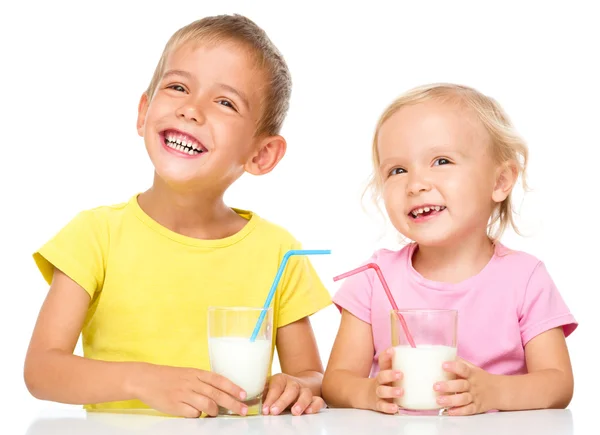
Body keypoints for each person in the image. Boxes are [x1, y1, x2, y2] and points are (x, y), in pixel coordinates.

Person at [24, 14, 331, 418]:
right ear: (143, 112)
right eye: (178, 87)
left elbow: (309, 375)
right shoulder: (95, 235)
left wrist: (296, 387)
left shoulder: (278, 251)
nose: (191, 109)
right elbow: (41, 371)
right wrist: (143, 380)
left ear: (261, 155)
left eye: (225, 102)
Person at [322, 83, 576, 416]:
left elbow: (558, 384)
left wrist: (494, 392)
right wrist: (367, 392)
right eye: (397, 170)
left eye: (441, 161)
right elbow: (335, 381)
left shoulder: (525, 279)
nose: (416, 184)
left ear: (499, 181)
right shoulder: (373, 280)